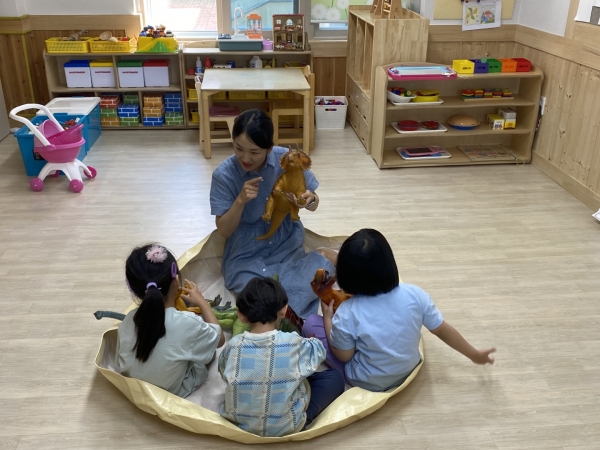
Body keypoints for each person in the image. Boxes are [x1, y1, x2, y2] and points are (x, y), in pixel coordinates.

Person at [303, 229, 496, 392]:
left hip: (367, 380)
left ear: (346, 276)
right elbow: (442, 329)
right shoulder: (415, 294)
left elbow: (344, 355)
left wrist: (328, 318)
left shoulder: (348, 311)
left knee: (311, 323)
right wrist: (474, 354)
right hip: (408, 368)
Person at [210, 109, 336, 319]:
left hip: (285, 245)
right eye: (238, 148)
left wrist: (310, 200)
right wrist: (240, 202)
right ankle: (294, 311)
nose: (245, 158)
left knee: (279, 304)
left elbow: (314, 202)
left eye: (254, 152)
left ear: (269, 148)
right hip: (245, 256)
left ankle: (293, 308)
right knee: (260, 304)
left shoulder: (286, 160)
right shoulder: (224, 175)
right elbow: (223, 230)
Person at [218, 277, 345, 437]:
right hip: (287, 427)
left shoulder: (233, 345)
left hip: (240, 427)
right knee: (334, 378)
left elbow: (223, 369)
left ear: (241, 316)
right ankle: (299, 421)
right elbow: (319, 352)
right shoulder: (293, 342)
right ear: (284, 310)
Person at [117, 243, 225, 398]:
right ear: (176, 280)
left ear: (133, 289)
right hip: (172, 391)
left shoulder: (128, 321)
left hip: (134, 388)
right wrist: (202, 303)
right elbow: (219, 340)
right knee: (208, 351)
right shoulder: (188, 323)